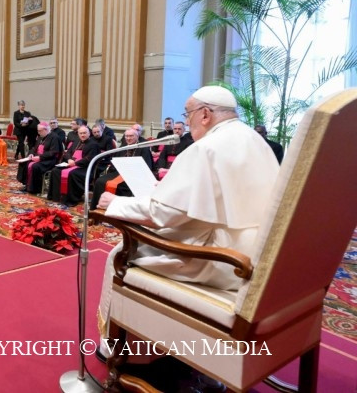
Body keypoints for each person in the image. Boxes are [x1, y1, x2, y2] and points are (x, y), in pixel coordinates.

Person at [96, 86, 280, 357]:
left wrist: (116, 204)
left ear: (205, 114)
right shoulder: (255, 140)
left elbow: (162, 215)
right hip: (259, 256)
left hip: (221, 261)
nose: (188, 119)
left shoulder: (205, 148)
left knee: (121, 254)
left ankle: (120, 350)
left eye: (188, 113)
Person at [90, 128, 154, 209]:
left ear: (137, 136)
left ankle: (118, 208)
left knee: (123, 186)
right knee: (100, 181)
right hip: (120, 173)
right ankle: (97, 208)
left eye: (131, 136)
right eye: (126, 136)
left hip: (135, 175)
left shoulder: (144, 148)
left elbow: (146, 167)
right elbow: (115, 162)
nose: (128, 138)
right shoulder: (122, 147)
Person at [47, 125, 101, 205]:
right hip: (71, 164)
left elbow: (89, 159)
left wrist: (75, 163)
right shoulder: (76, 142)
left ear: (89, 133)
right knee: (56, 171)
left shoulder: (94, 144)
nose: (82, 135)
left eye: (84, 133)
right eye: (81, 133)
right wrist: (69, 159)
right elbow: (68, 152)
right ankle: (58, 196)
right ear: (78, 134)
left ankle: (70, 199)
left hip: (85, 168)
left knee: (72, 174)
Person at [16, 121, 61, 193]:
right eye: (38, 131)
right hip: (38, 158)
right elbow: (34, 148)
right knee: (24, 163)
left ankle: (35, 188)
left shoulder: (55, 137)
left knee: (35, 166)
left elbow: (53, 152)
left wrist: (40, 157)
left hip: (49, 160)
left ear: (46, 130)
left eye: (40, 131)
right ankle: (27, 185)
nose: (38, 132)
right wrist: (31, 154)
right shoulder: (40, 137)